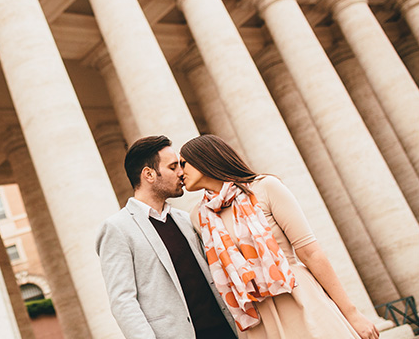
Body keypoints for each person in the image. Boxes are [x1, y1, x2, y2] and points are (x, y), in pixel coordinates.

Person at [179, 134, 379, 339]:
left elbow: (310, 252)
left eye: (183, 163)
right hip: (256, 317)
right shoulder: (199, 216)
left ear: (203, 159)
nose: (179, 172)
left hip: (298, 298)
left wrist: (352, 314)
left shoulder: (265, 187)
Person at [96, 135, 238, 339]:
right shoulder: (117, 228)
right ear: (149, 174)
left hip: (226, 331)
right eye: (173, 167)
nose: (181, 173)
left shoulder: (186, 219)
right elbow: (123, 301)